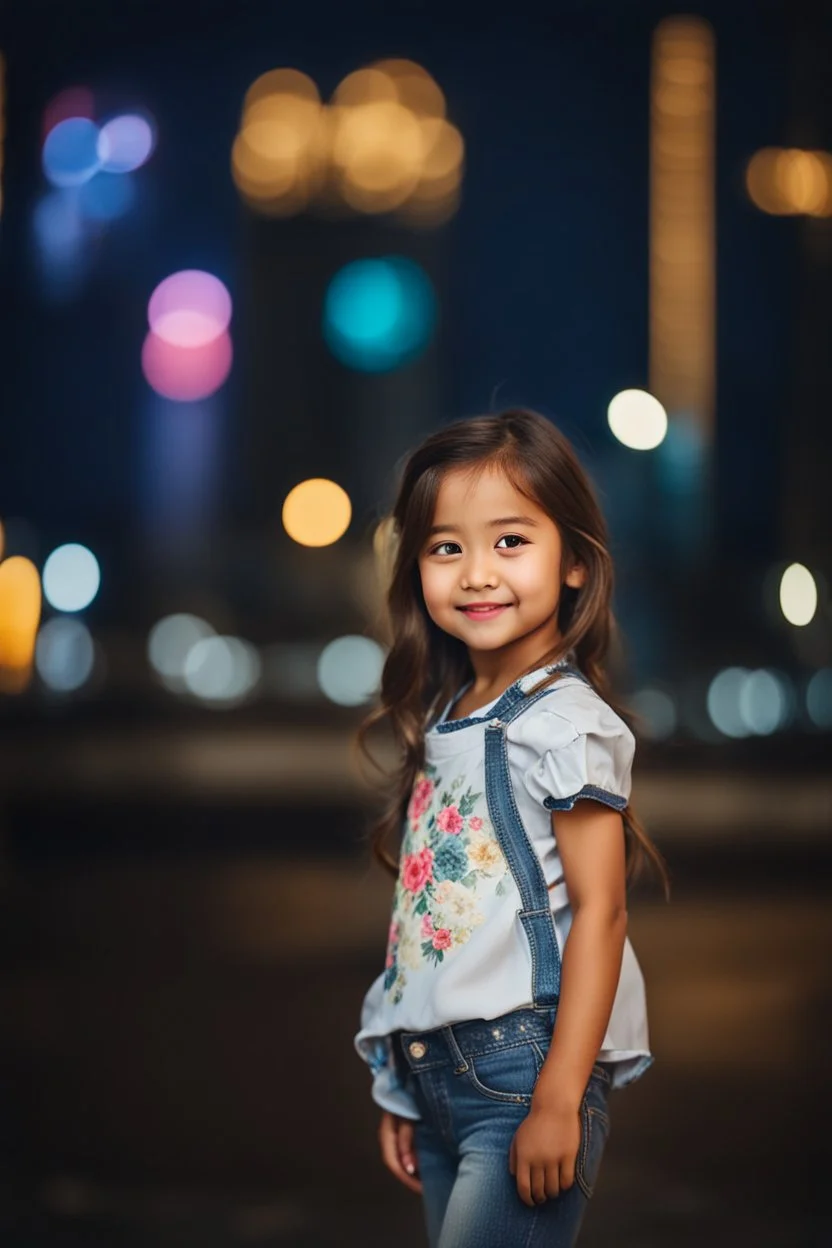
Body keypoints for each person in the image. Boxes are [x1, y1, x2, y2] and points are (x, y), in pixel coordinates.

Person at [354, 409, 670, 1247]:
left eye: (510, 541)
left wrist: (561, 1097)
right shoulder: (450, 714)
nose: (476, 573)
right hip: (438, 1081)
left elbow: (601, 913)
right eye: (446, 547)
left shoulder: (563, 723)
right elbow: (432, 928)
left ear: (572, 562)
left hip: (524, 1076)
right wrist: (400, 1080)